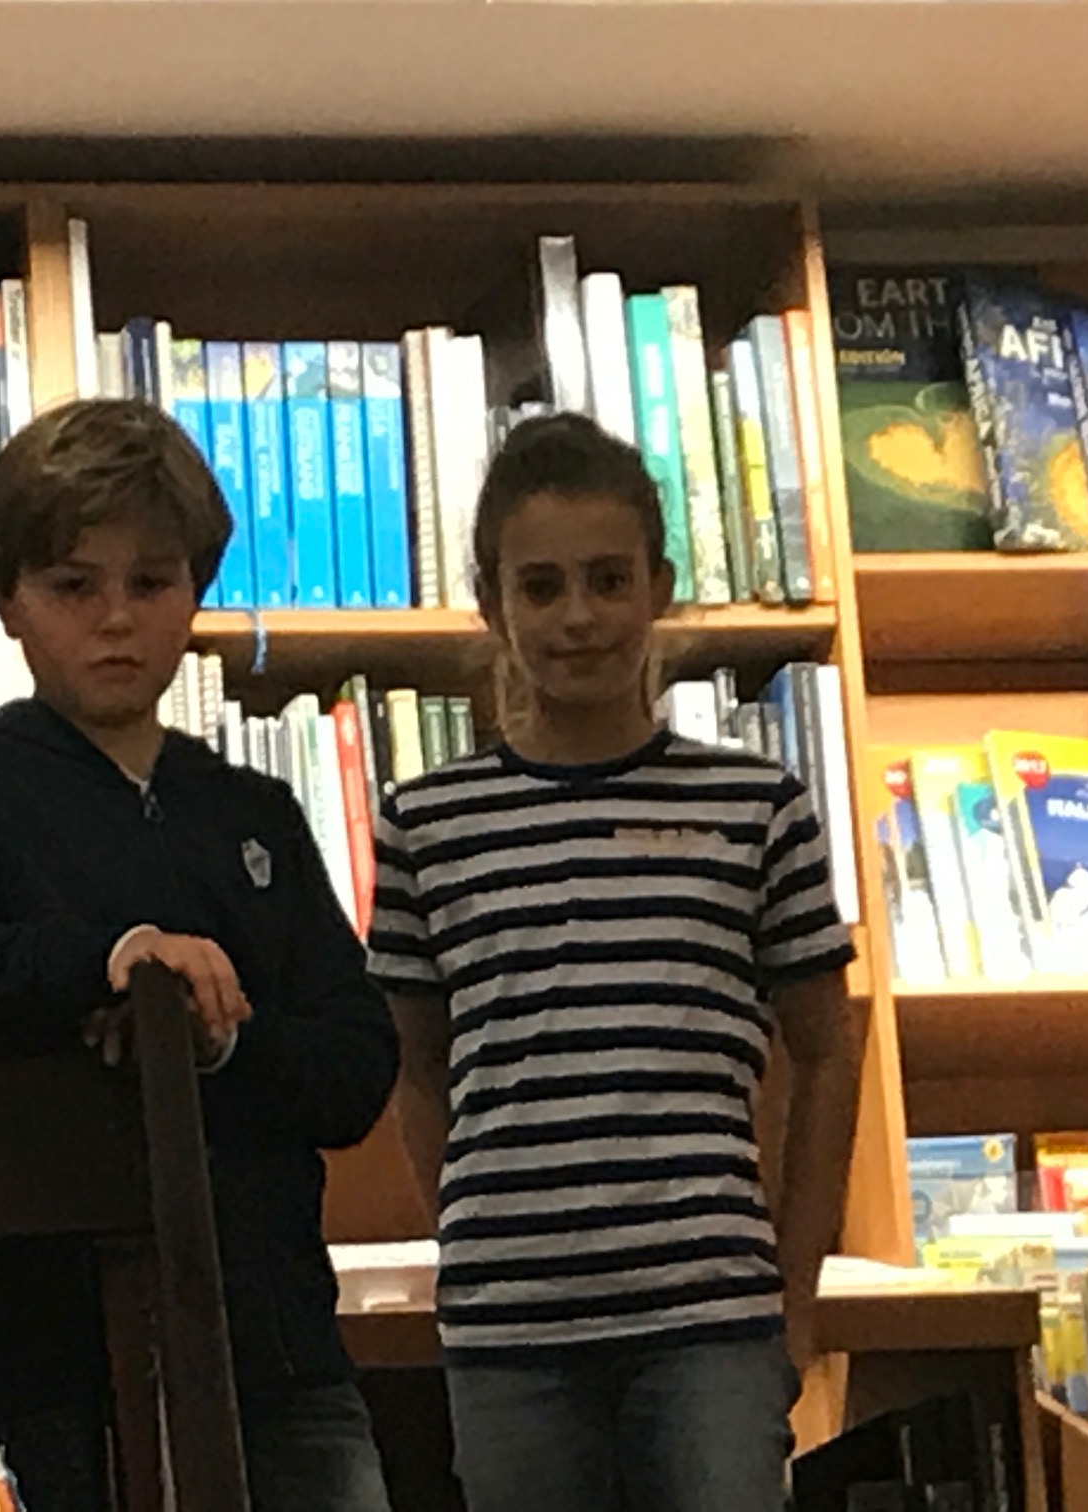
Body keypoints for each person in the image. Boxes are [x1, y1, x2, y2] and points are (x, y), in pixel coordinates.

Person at [0, 399, 399, 1512]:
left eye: (150, 583)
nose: (115, 619)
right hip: (67, 1351)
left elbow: (356, 1062)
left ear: (195, 592)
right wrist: (104, 963)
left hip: (279, 1338)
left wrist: (213, 1045)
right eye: (73, 586)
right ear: (8, 599)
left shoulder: (251, 809)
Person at [368, 413, 865, 1512]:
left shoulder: (758, 808)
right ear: (492, 604)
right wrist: (475, 1244)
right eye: (541, 587)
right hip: (509, 1334)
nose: (579, 616)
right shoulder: (425, 823)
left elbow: (830, 1054)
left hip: (710, 1324)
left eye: (608, 579)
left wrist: (794, 1297)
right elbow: (418, 1066)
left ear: (660, 588)